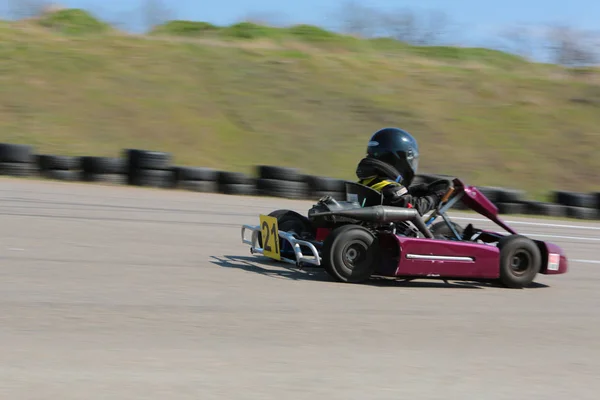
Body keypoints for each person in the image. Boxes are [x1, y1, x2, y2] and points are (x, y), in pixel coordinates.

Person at [355, 127, 451, 216]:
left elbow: (395, 197)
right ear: (400, 160)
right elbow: (413, 208)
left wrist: (415, 191)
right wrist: (435, 197)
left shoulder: (366, 183)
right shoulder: (387, 187)